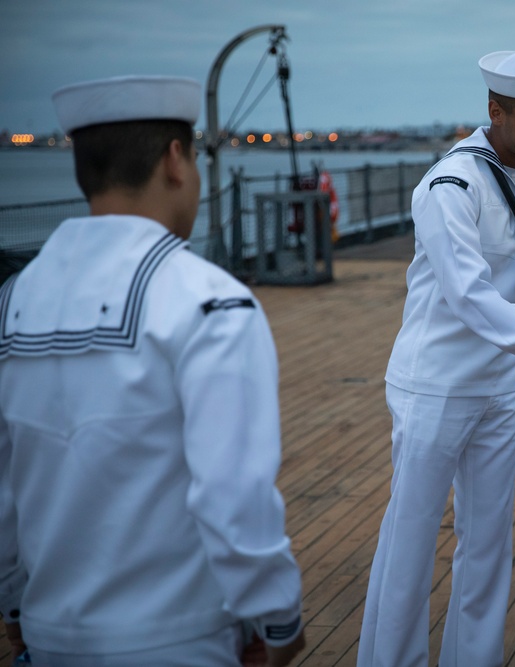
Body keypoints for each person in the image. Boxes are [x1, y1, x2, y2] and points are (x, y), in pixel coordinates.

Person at [0, 75, 305, 667]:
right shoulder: (211, 302)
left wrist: (14, 605)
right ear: (175, 160)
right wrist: (277, 619)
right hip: (178, 641)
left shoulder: (13, 302)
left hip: (47, 637)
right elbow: (233, 494)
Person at [358, 50, 515, 667]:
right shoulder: (450, 186)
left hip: (498, 389)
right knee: (409, 546)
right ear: (494, 111)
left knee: (489, 544)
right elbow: (470, 298)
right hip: (436, 387)